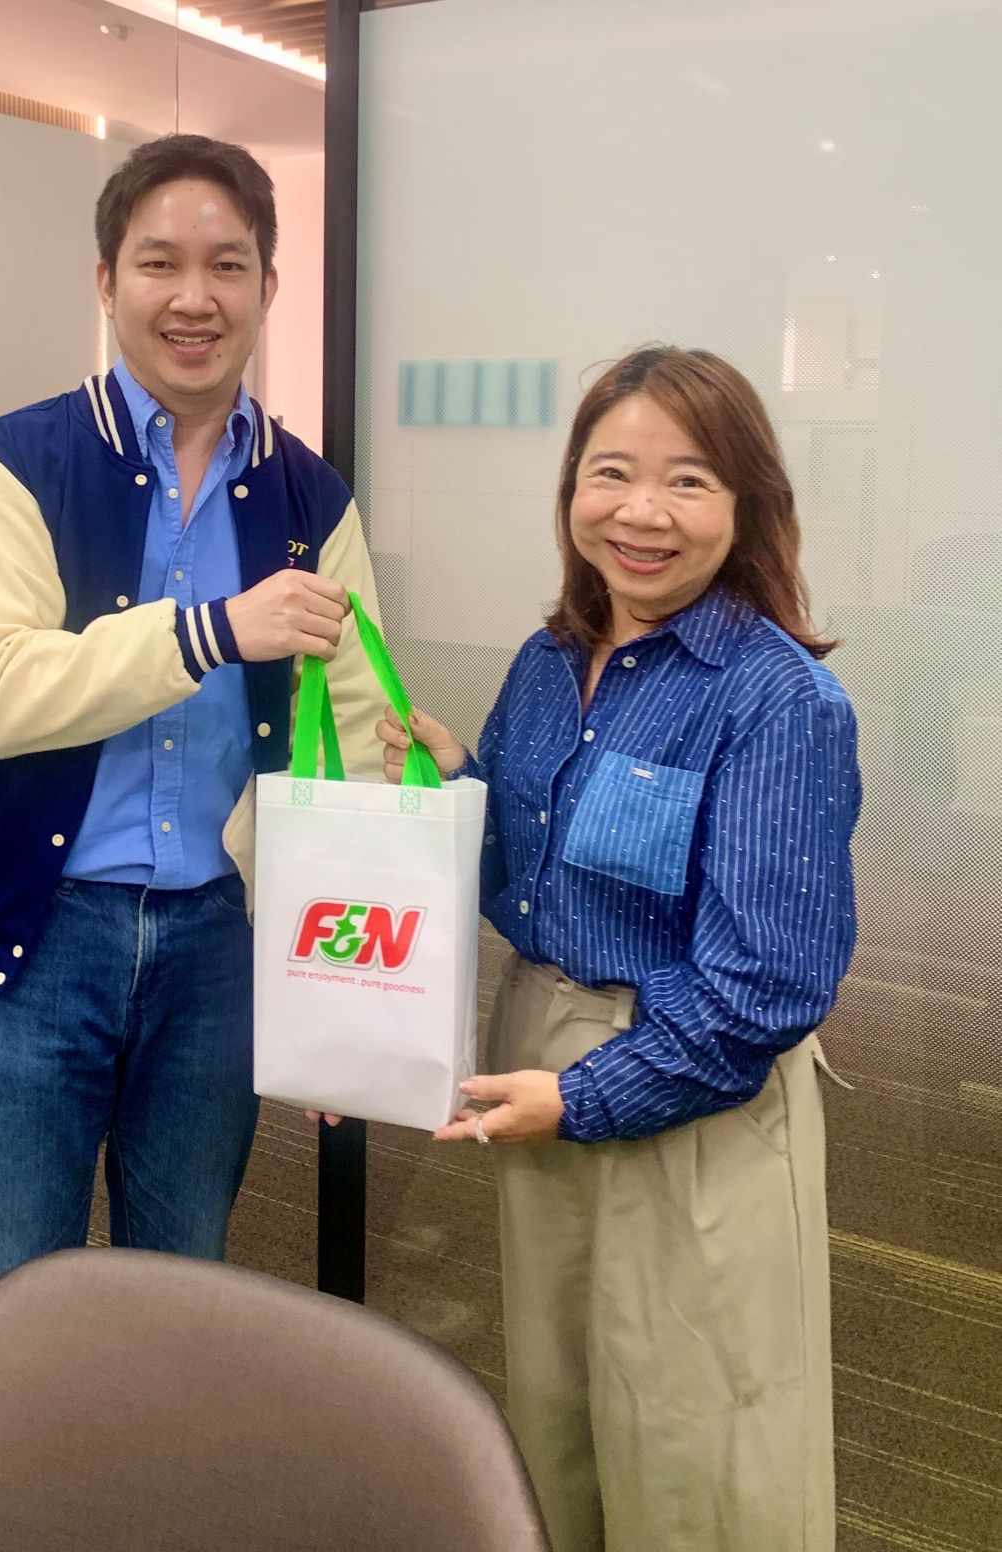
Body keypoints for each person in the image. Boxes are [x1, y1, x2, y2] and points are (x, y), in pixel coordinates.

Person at [380, 345, 859, 1552]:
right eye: (612, 472)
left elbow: (763, 988)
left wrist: (582, 1095)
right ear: (571, 491)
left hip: (693, 1084)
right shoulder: (550, 661)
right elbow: (528, 882)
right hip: (541, 1046)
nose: (642, 511)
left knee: (697, 1442)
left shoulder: (776, 698)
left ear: (747, 505)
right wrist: (457, 787)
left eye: (688, 479)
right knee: (563, 1412)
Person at [0, 132, 386, 1294]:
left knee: (184, 1281)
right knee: (20, 1283)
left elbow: (352, 740)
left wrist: (340, 995)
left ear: (268, 286)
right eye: (159, 263)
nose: (195, 297)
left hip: (217, 940)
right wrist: (210, 629)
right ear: (107, 281)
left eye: (228, 265)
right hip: (43, 931)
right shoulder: (12, 462)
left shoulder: (310, 495)